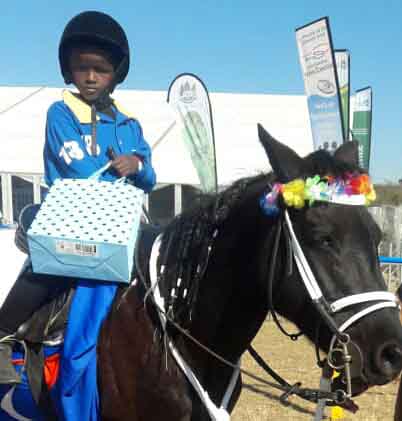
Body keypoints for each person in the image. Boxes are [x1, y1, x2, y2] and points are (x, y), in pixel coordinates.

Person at [0, 10, 156, 388]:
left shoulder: (129, 123)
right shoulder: (61, 112)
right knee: (45, 269)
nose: (90, 76)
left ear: (114, 75)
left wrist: (136, 163)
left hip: (120, 222)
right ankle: (3, 336)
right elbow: (79, 167)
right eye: (81, 67)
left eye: (100, 69)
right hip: (72, 217)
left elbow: (150, 177)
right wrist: (118, 176)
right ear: (69, 71)